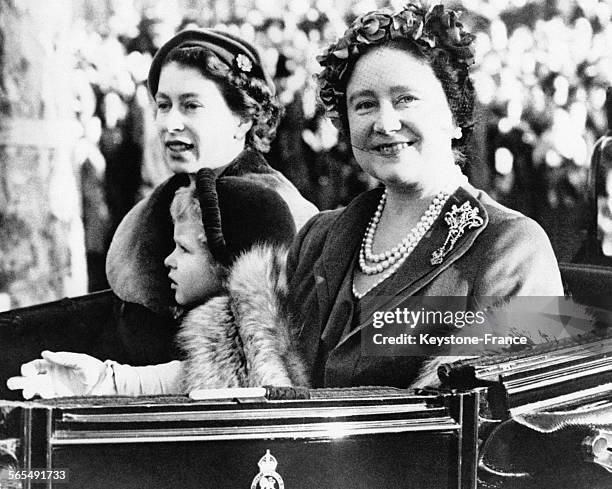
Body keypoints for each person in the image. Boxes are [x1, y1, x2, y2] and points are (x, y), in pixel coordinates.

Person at [286, 3, 564, 389]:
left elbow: (505, 428)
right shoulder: (317, 237)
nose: (385, 123)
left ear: (453, 115)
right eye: (364, 104)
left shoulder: (511, 248)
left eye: (405, 99)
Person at [104, 28, 317, 365]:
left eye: (191, 105)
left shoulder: (275, 212)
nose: (170, 123)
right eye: (163, 105)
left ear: (242, 120)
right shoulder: (165, 203)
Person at [7, 171, 307, 397]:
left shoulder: (255, 354)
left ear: (227, 265)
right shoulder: (224, 343)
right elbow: (182, 377)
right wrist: (100, 379)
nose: (169, 260)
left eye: (185, 249)